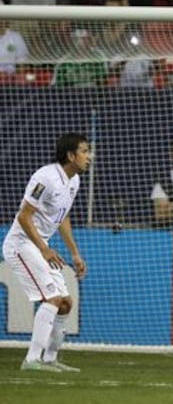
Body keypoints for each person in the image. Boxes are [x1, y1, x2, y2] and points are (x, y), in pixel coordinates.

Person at [2, 133, 90, 372]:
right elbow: (24, 215)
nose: (88, 157)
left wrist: (75, 253)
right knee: (52, 298)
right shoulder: (46, 177)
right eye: (84, 151)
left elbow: (62, 218)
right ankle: (32, 360)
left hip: (39, 245)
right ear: (70, 155)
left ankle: (50, 359)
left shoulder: (74, 181)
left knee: (65, 304)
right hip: (20, 245)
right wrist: (44, 248)